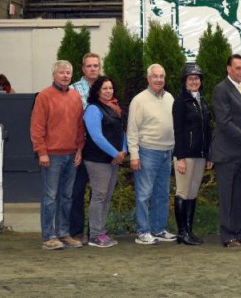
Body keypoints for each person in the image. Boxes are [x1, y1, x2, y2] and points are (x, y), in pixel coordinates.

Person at [30, 60, 85, 250]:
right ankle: (48, 236)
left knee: (67, 196)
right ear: (54, 75)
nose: (65, 76)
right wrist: (41, 152)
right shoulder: (44, 96)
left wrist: (79, 149)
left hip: (71, 154)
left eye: (68, 73)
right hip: (51, 156)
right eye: (62, 72)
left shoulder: (76, 97)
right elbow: (37, 127)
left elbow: (79, 126)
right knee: (50, 197)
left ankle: (63, 233)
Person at [209, 54, 241, 248]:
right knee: (227, 196)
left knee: (239, 195)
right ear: (228, 69)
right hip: (227, 153)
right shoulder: (221, 89)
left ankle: (238, 234)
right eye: (238, 68)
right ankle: (228, 236)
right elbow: (224, 122)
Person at [128, 64, 177, 245]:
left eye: (161, 76)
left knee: (162, 194)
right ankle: (143, 232)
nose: (159, 79)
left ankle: (158, 229)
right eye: (155, 76)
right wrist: (134, 154)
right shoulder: (139, 100)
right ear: (148, 79)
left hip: (167, 152)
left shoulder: (170, 98)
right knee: (144, 194)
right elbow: (132, 130)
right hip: (147, 151)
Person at [82, 76, 126, 248]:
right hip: (97, 160)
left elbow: (122, 131)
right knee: (99, 197)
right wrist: (116, 153)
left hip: (113, 160)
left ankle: (101, 230)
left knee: (106, 197)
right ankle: (94, 235)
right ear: (97, 91)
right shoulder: (93, 109)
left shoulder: (114, 108)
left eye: (111, 88)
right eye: (105, 88)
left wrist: (123, 152)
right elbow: (97, 136)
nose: (109, 91)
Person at [172, 63, 213, 246]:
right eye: (191, 78)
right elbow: (178, 131)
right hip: (186, 155)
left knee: (193, 193)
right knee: (182, 192)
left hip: (200, 154)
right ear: (185, 81)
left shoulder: (202, 101)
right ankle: (181, 233)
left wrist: (209, 155)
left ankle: (189, 230)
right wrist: (180, 157)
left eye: (197, 78)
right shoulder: (180, 102)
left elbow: (208, 130)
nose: (194, 81)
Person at [69, 52, 102, 244]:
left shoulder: (104, 88)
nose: (92, 69)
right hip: (80, 146)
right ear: (83, 68)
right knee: (77, 191)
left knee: (98, 192)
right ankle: (76, 232)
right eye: (89, 66)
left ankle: (96, 232)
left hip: (99, 148)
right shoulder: (73, 90)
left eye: (96, 66)